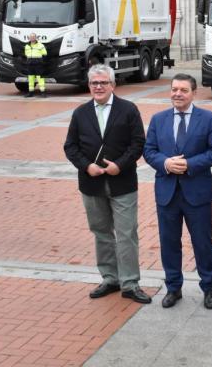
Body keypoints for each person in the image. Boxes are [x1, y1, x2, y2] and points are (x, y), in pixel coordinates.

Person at [63, 65, 151, 304]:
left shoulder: (128, 110)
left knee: (126, 234)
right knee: (101, 233)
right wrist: (86, 166)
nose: (98, 87)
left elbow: (138, 143)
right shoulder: (80, 113)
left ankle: (130, 283)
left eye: (103, 83)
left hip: (122, 182)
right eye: (94, 83)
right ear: (89, 85)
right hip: (91, 184)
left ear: (113, 85)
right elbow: (70, 146)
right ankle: (110, 278)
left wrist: (119, 165)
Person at [143, 73, 212, 310]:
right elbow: (149, 150)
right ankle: (173, 287)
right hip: (167, 193)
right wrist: (165, 163)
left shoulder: (209, 118)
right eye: (174, 89)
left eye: (183, 90)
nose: (177, 94)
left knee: (202, 242)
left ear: (193, 93)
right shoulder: (158, 119)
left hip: (196, 192)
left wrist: (190, 164)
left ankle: (208, 287)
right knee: (169, 242)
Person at [24, 33, 48, 98]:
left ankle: (43, 92)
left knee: (40, 78)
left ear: (35, 38)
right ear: (29, 38)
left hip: (38, 64)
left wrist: (41, 61)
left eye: (33, 37)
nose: (32, 38)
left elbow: (45, 54)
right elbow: (26, 54)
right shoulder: (27, 46)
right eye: (31, 37)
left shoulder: (40, 45)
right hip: (30, 63)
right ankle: (30, 92)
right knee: (30, 78)